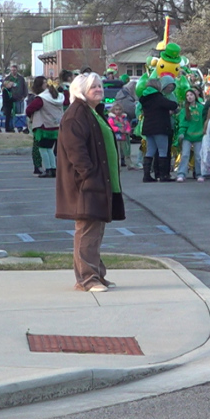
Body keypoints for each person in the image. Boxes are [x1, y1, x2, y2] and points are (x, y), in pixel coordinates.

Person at [55, 72, 124, 293]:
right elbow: (76, 151)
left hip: (100, 184)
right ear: (80, 90)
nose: (99, 89)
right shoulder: (76, 115)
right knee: (86, 231)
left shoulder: (93, 113)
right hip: (86, 185)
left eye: (100, 86)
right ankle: (86, 279)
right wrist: (88, 176)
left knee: (95, 231)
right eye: (93, 86)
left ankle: (96, 275)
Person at [138, 76, 179, 182]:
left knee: (150, 150)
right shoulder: (158, 97)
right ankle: (163, 175)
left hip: (148, 127)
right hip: (160, 127)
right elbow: (172, 105)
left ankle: (146, 175)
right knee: (162, 151)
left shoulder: (144, 97)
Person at [26, 77, 65, 179]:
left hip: (44, 127)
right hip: (56, 126)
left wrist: (31, 116)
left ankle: (48, 169)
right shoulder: (58, 97)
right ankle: (53, 169)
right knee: (50, 149)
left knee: (43, 149)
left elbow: (29, 109)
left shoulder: (41, 98)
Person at [175, 87, 204, 182]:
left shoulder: (201, 108)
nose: (189, 97)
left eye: (191, 95)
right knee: (185, 155)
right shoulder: (184, 110)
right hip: (187, 136)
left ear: (195, 96)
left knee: (199, 156)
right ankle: (181, 173)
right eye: (187, 96)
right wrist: (181, 133)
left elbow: (204, 121)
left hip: (199, 136)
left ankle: (199, 173)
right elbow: (183, 123)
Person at [1, 64, 28, 133]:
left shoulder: (21, 78)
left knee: (19, 114)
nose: (13, 72)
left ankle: (19, 128)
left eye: (14, 70)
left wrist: (24, 96)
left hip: (19, 99)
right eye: (12, 70)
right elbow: (3, 86)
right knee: (9, 114)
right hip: (10, 100)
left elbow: (25, 87)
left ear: (17, 70)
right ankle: (11, 127)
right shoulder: (7, 78)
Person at [107, 103, 133, 169]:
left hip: (124, 137)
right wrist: (118, 129)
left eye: (119, 109)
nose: (118, 111)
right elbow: (110, 126)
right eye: (116, 110)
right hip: (116, 137)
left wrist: (128, 130)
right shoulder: (111, 119)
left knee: (126, 151)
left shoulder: (124, 118)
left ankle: (129, 164)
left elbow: (128, 125)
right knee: (117, 152)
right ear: (113, 110)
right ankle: (117, 166)